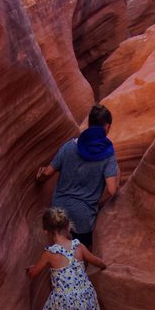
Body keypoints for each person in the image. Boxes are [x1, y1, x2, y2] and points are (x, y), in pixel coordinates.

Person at [26, 207, 107, 310]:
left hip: (65, 300)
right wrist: (104, 265)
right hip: (85, 295)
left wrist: (30, 270)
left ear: (46, 231)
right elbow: (96, 261)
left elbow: (33, 274)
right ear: (67, 226)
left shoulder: (49, 254)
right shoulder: (79, 246)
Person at [35, 104, 119, 250]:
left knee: (58, 253)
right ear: (107, 127)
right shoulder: (108, 155)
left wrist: (39, 178)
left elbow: (48, 173)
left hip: (58, 212)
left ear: (88, 124)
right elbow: (112, 190)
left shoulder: (69, 146)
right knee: (81, 254)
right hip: (83, 217)